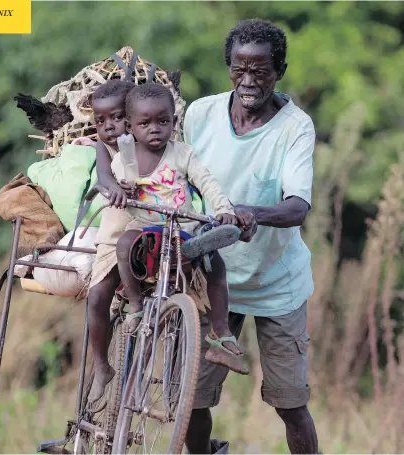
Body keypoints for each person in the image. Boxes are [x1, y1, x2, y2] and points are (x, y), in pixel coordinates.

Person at [183, 19, 319, 454]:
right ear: (228, 67)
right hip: (211, 279)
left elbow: (298, 207)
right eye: (239, 69)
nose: (248, 81)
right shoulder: (200, 113)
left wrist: (252, 213)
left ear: (279, 70)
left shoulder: (295, 127)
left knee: (290, 402)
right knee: (191, 399)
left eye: (260, 71)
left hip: (275, 284)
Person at [108, 82, 253, 375]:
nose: (155, 129)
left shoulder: (182, 154)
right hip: (145, 226)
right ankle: (135, 303)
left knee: (215, 262)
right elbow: (120, 185)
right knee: (124, 245)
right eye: (145, 123)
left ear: (175, 123)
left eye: (163, 121)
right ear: (130, 127)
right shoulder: (125, 157)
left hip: (182, 226)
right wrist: (124, 191)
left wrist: (224, 209)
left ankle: (221, 332)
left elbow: (206, 182)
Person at [73, 79, 135, 405]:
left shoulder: (151, 136)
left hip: (154, 222)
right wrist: (114, 190)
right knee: (97, 296)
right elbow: (105, 178)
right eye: (101, 120)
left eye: (117, 117)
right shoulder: (104, 146)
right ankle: (101, 366)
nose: (109, 126)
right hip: (117, 227)